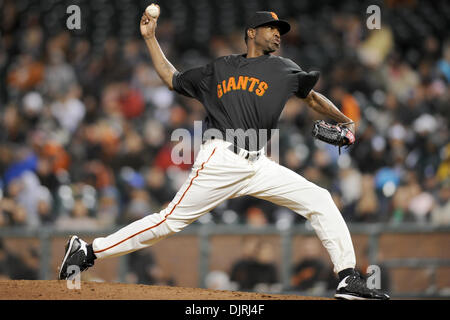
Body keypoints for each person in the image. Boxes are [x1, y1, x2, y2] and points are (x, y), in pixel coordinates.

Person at [58, 9, 389, 300]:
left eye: (281, 31)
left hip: (259, 163)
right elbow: (171, 78)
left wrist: (345, 120)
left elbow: (313, 98)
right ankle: (88, 251)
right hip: (220, 160)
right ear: (251, 33)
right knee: (169, 222)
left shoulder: (285, 69)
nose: (278, 34)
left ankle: (347, 278)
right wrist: (150, 38)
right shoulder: (220, 68)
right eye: (272, 29)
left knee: (320, 199)